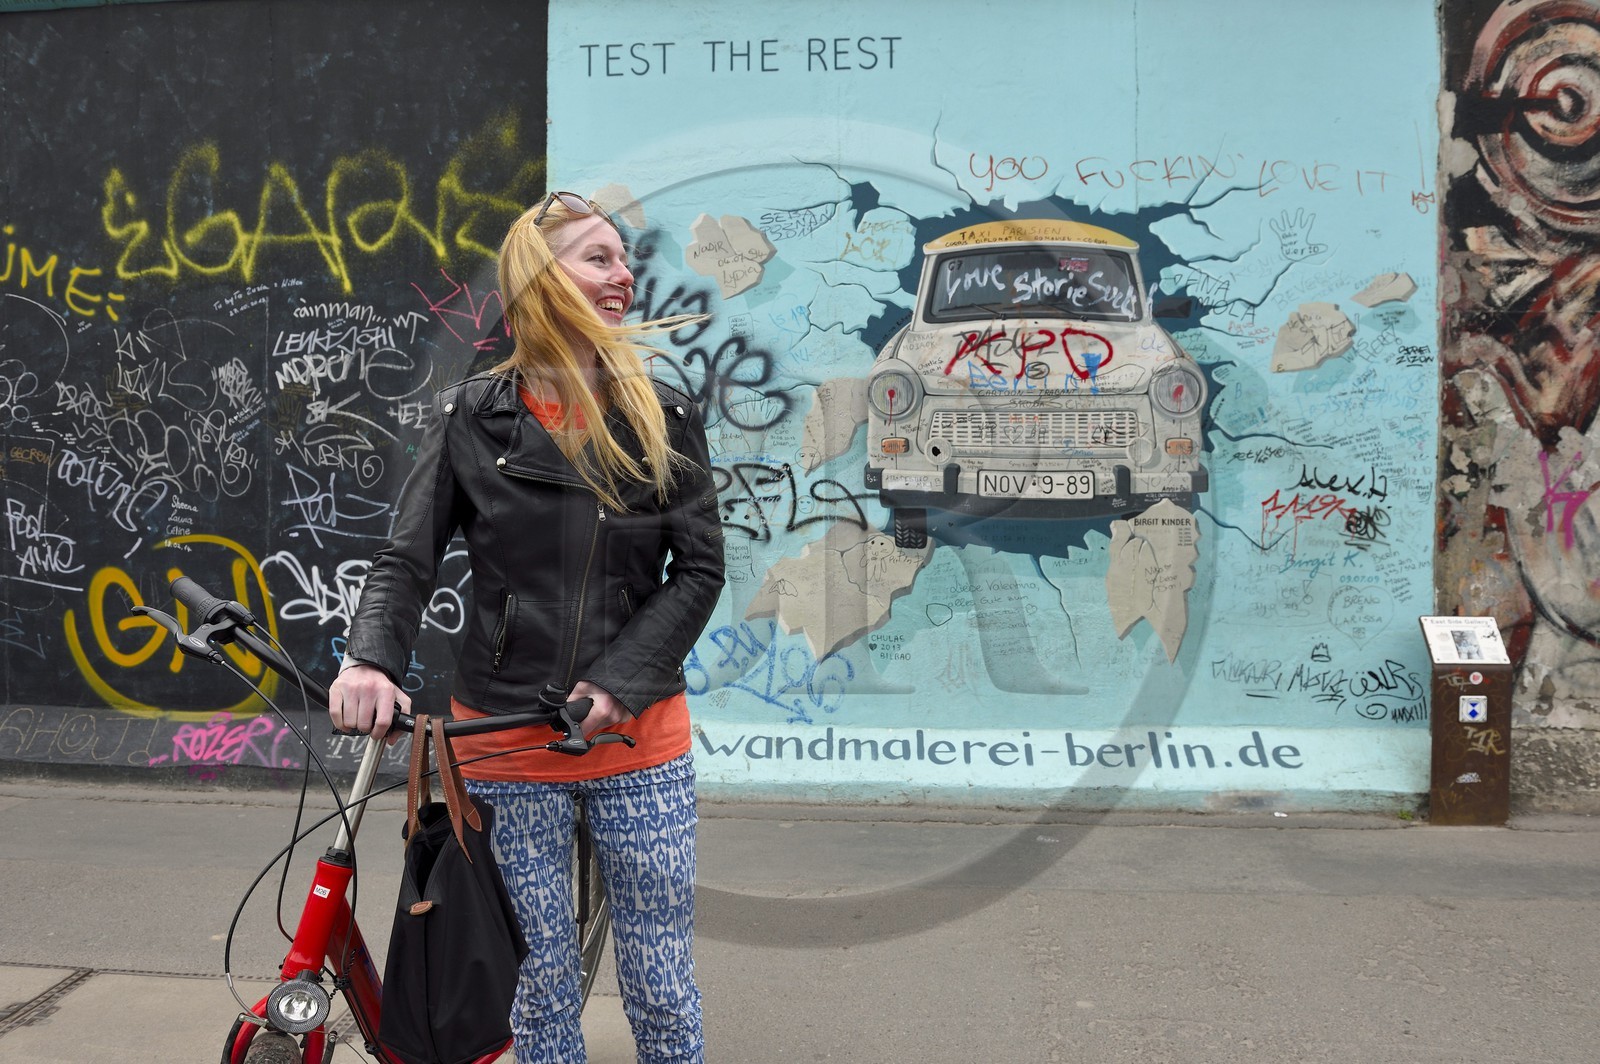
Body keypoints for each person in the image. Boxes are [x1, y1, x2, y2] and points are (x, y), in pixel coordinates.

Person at [328, 189, 725, 1063]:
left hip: (639, 737)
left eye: (624, 261)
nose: (624, 276)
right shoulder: (472, 415)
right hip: (503, 739)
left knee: (659, 982)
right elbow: (406, 562)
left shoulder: (664, 412)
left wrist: (622, 682)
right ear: (540, 279)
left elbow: (698, 571)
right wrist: (369, 661)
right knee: (537, 984)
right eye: (598, 259)